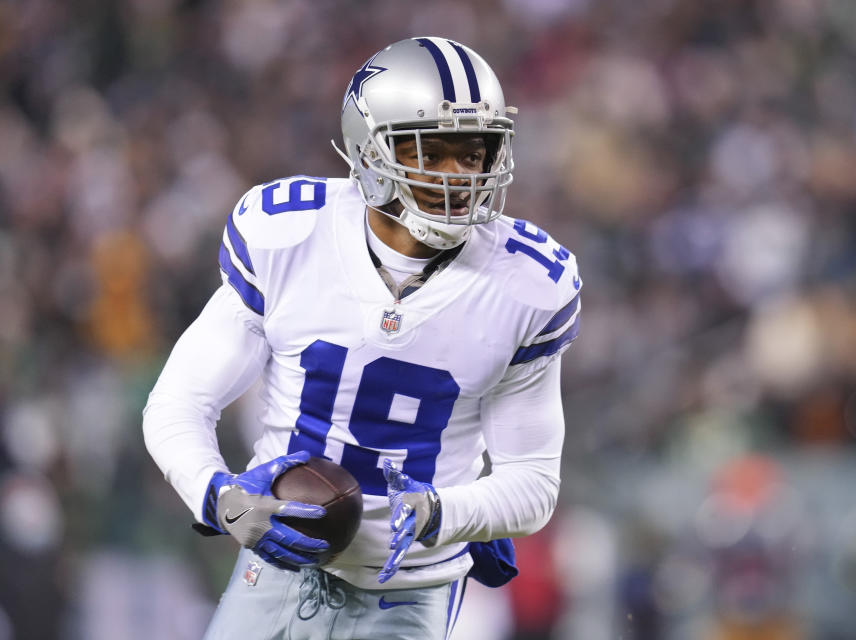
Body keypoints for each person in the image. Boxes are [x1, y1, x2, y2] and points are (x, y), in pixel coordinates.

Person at [143, 36, 581, 640]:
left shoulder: (527, 285)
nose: (461, 175)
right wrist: (219, 497)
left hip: (411, 585)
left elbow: (533, 482)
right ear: (371, 150)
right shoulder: (289, 236)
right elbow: (179, 404)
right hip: (277, 564)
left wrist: (444, 513)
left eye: (474, 152)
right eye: (435, 152)